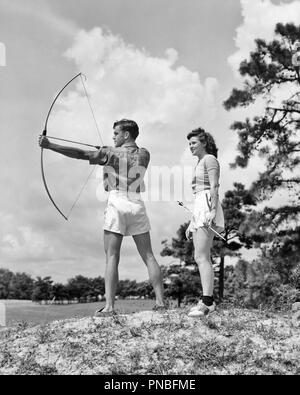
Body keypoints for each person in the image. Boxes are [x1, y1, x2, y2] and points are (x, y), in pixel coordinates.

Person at [39, 119, 166, 316]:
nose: (113, 136)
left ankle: (109, 307)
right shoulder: (145, 153)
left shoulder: (109, 152)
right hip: (137, 203)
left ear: (126, 135)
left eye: (116, 133)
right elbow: (126, 156)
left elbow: (81, 154)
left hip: (117, 202)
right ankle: (160, 303)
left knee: (112, 256)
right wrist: (107, 152)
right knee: (148, 255)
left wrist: (50, 145)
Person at [185, 127, 224, 317]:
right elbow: (198, 194)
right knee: (199, 255)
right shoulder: (200, 161)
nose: (190, 146)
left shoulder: (209, 159)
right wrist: (192, 220)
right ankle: (206, 299)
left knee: (202, 256)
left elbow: (215, 185)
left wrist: (213, 210)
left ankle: (208, 302)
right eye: (189, 143)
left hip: (208, 204)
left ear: (204, 143)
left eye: (194, 143)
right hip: (200, 206)